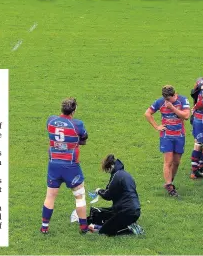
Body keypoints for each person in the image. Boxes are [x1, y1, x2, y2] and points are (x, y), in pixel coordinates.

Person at [42, 98, 89, 234]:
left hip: (54, 165)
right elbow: (84, 139)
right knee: (79, 196)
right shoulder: (77, 124)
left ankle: (44, 227)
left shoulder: (50, 120)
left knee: (50, 196)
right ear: (74, 110)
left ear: (61, 108)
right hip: (71, 166)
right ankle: (83, 227)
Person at [145, 85, 190, 197]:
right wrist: (156, 127)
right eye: (166, 100)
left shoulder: (183, 100)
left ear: (175, 95)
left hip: (179, 135)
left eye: (169, 99)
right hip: (167, 136)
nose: (167, 102)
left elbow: (186, 116)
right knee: (168, 162)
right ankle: (169, 186)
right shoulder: (160, 102)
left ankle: (170, 180)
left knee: (177, 162)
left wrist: (172, 108)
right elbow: (147, 113)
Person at [84, 155, 141, 236]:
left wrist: (98, 191)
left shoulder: (116, 176)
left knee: (105, 231)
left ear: (110, 166)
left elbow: (108, 195)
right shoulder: (126, 175)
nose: (108, 172)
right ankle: (128, 224)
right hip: (134, 210)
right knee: (106, 218)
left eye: (107, 170)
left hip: (126, 211)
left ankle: (130, 229)